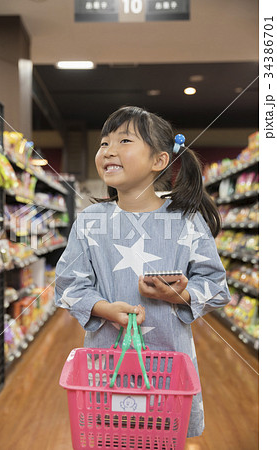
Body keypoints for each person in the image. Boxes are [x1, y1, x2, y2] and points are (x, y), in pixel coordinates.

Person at [55, 105, 231, 438]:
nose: (109, 150)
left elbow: (216, 286)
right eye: (104, 143)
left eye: (124, 141)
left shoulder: (186, 222)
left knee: (161, 436)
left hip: (168, 371)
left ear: (159, 161)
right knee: (109, 435)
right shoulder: (89, 222)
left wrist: (183, 293)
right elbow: (68, 286)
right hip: (105, 369)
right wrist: (104, 309)